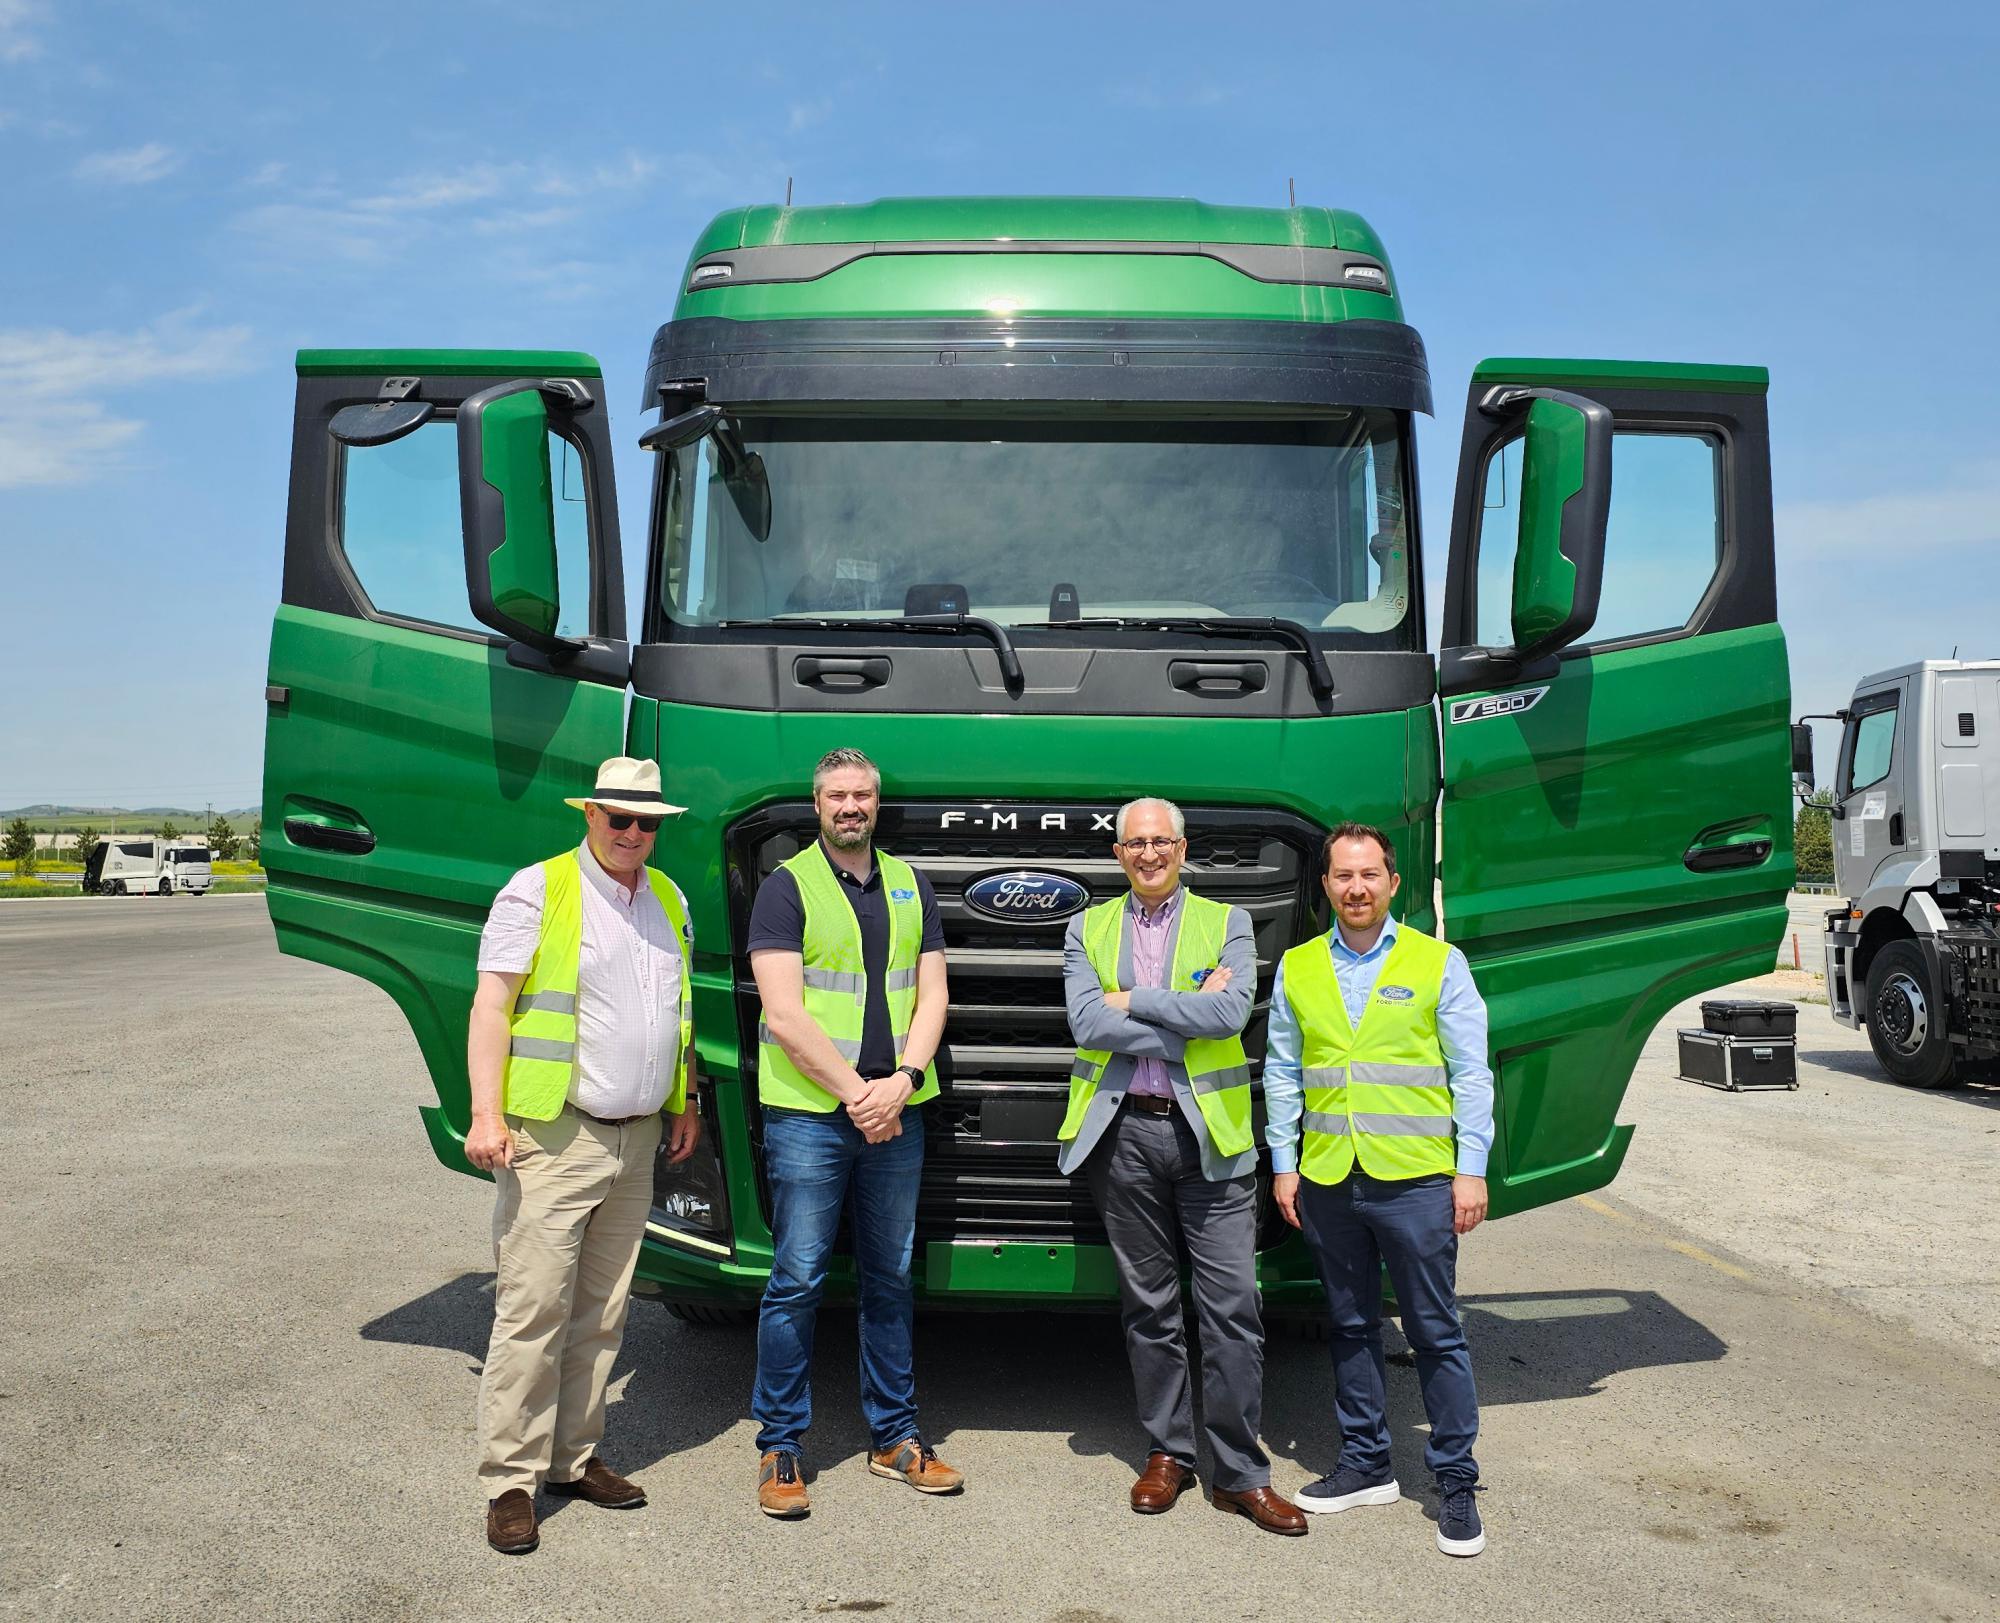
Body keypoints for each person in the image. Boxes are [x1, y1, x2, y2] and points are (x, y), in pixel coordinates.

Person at [464, 756, 703, 1556]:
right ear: (591, 814)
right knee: (533, 1310)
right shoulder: (537, 889)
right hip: (556, 1133)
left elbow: (678, 1012)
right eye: (620, 818)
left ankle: (570, 1458)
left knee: (603, 1311)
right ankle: (510, 1479)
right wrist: (486, 1113)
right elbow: (492, 1004)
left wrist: (686, 1098)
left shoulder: (667, 898)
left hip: (637, 1136)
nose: (635, 833)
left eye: (648, 822)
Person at [1059, 796, 1308, 1536]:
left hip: (1213, 1141)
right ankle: (1168, 1452)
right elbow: (1085, 1021)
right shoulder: (1087, 925)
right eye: (1134, 843)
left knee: (1233, 1308)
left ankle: (1239, 1472)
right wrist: (1179, 1015)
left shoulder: (1226, 922)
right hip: (1124, 1136)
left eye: (1160, 841)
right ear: (1117, 854)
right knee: (1151, 1308)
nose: (1147, 854)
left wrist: (1133, 999)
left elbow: (1231, 1016)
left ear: (1182, 846)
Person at [1265, 821, 1496, 1558]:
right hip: (1330, 1175)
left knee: (1435, 1331)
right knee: (1351, 1325)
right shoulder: (1299, 966)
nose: (1356, 887)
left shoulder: (1438, 961)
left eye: (1369, 874)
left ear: (1393, 882)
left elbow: (1471, 1071)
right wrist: (1284, 1160)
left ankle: (1455, 1479)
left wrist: (1471, 1166)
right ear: (1326, 885)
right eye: (1342, 876)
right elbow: (1281, 1069)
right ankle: (1366, 1463)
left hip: (1417, 1179)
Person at [746, 747, 961, 1517]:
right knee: (797, 1278)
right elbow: (784, 1012)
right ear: (817, 803)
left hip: (895, 1111)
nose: (850, 805)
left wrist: (901, 1081)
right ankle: (780, 1445)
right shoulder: (785, 888)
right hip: (812, 1113)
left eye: (862, 794)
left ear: (877, 802)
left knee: (889, 1278)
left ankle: (895, 1438)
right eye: (837, 794)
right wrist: (858, 1095)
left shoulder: (910, 883)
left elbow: (933, 995)